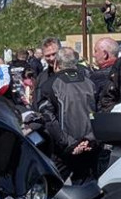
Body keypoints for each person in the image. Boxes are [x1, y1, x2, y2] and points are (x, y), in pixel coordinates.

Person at [41, 48, 98, 184]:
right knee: (87, 189)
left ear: (56, 64)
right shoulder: (90, 82)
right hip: (88, 145)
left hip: (63, 149)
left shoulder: (49, 85)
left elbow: (49, 120)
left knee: (50, 187)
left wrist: (70, 144)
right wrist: (89, 140)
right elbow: (98, 114)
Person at [33, 37, 62, 107]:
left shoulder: (75, 73)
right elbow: (38, 103)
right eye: (48, 56)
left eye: (54, 54)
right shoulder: (42, 77)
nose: (51, 58)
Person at [90, 36, 119, 102]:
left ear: (105, 54)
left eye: (96, 51)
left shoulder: (98, 76)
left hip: (104, 111)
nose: (93, 55)